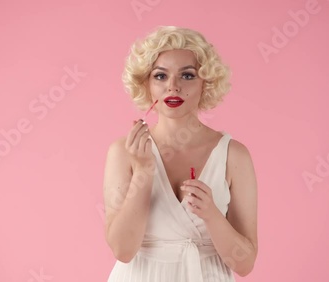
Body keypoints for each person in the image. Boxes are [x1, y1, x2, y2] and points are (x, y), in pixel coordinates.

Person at [103, 26, 258, 282]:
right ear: (147, 84)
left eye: (187, 76)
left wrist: (211, 213)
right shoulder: (123, 152)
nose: (173, 87)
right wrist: (143, 171)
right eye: (160, 76)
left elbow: (244, 264)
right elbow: (123, 249)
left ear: (206, 82)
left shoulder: (234, 155)